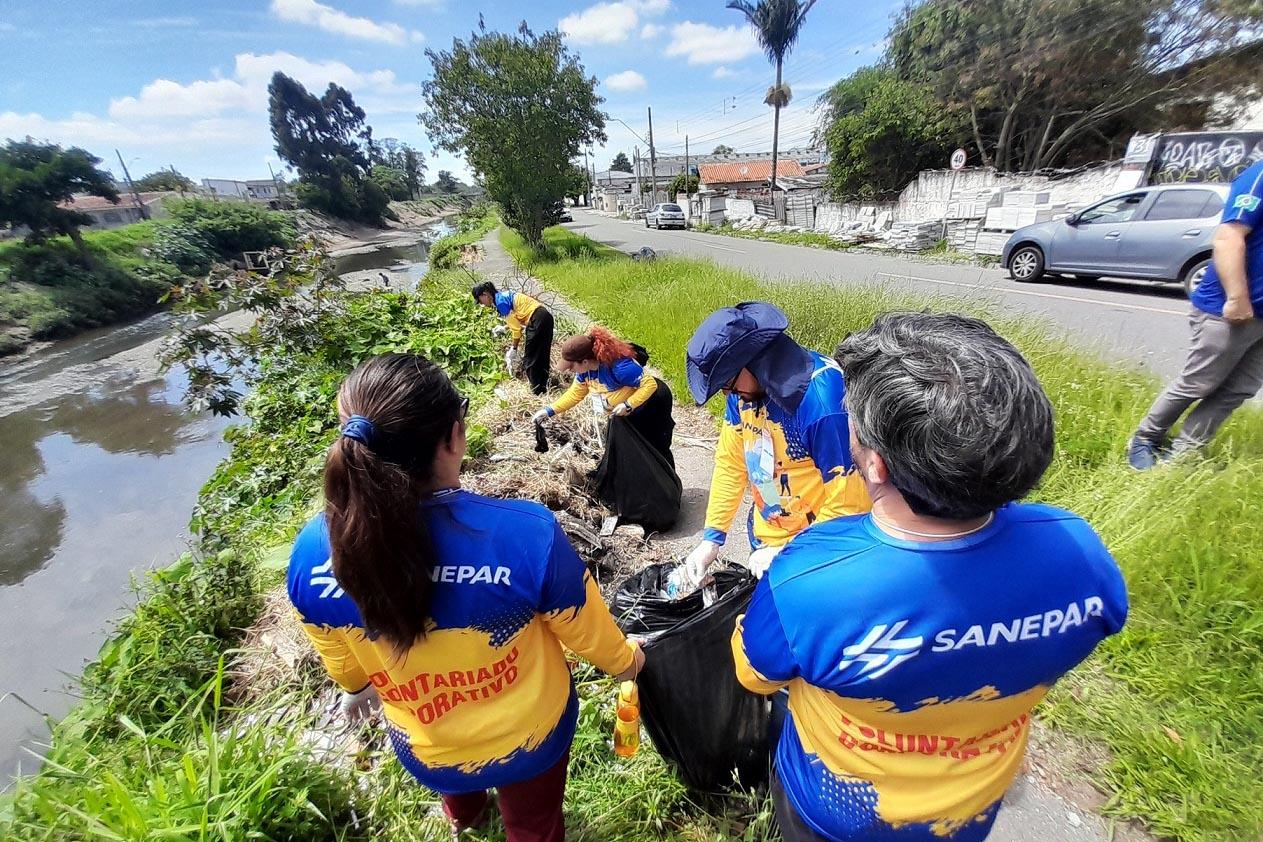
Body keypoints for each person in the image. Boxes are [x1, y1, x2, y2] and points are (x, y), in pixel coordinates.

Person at [732, 312, 1128, 842]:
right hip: (969, 807)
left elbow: (755, 673)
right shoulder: (1081, 553)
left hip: (837, 814)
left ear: (875, 466)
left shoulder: (809, 580)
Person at [287, 353, 644, 842]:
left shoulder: (312, 551)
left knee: (457, 788)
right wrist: (627, 663)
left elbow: (337, 652)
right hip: (528, 739)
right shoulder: (525, 534)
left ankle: (465, 822)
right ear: (455, 435)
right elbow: (586, 629)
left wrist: (353, 687)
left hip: (428, 744)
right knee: (534, 824)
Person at [682, 302, 869, 584]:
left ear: (756, 361)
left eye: (728, 382)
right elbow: (732, 463)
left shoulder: (823, 403)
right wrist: (713, 536)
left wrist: (789, 552)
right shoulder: (744, 392)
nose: (726, 393)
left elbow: (849, 503)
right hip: (768, 539)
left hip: (820, 554)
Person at [1128, 159, 1263, 468]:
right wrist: (1237, 297)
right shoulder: (1260, 176)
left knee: (1238, 390)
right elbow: (1229, 237)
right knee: (1198, 383)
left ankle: (1182, 454)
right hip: (1231, 310)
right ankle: (1145, 438)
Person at [532, 327, 674, 461]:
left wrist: (628, 405)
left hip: (653, 403)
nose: (570, 370)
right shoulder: (585, 373)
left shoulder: (619, 367)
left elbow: (649, 384)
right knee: (631, 452)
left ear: (585, 361)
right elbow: (574, 395)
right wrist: (549, 411)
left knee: (655, 448)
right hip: (626, 411)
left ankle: (668, 484)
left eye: (571, 366)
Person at [472, 281, 555, 395]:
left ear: (485, 294)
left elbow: (517, 330)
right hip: (544, 316)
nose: (481, 303)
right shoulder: (503, 296)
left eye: (479, 300)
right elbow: (517, 317)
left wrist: (513, 349)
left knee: (530, 359)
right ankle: (544, 387)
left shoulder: (500, 303)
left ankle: (537, 392)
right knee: (542, 355)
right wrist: (505, 327)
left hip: (537, 320)